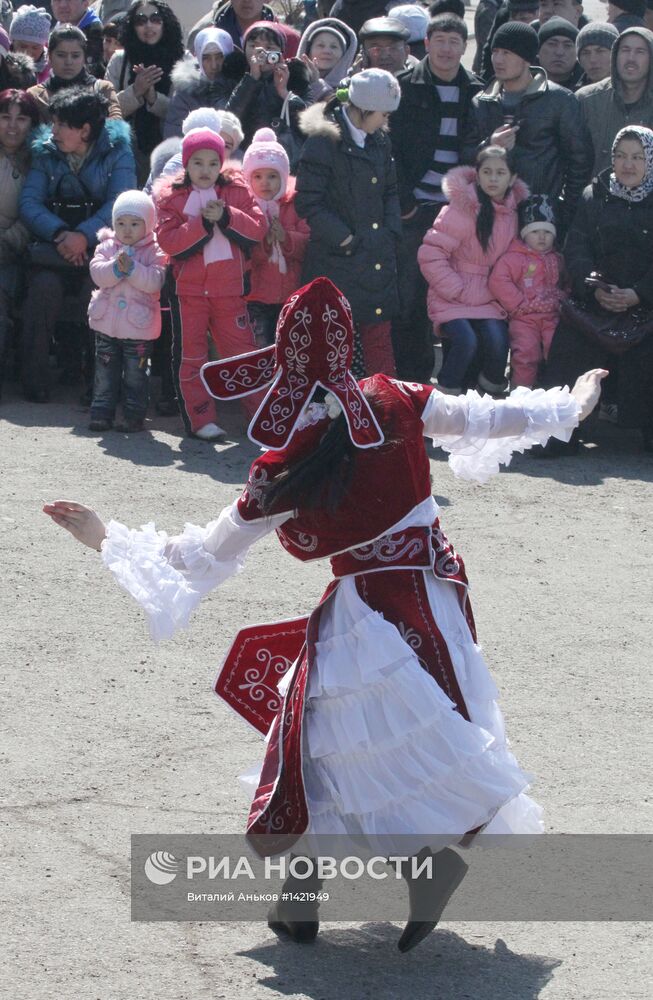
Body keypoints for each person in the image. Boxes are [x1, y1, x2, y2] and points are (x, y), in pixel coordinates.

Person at [42, 275, 607, 950]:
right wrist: (570, 405)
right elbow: (487, 418)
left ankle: (337, 890)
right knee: (410, 740)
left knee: (319, 746)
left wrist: (104, 537)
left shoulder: (284, 465)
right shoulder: (398, 398)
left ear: (280, 359)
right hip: (436, 598)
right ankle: (360, 884)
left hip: (367, 615)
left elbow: (199, 555)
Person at [19, 87, 136, 402]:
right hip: (53, 248)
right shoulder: (46, 151)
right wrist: (61, 234)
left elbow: (119, 203)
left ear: (84, 130)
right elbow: (29, 203)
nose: (52, 130)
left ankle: (101, 383)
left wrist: (83, 236)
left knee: (95, 294)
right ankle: (34, 380)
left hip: (100, 250)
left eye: (60, 125)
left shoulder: (118, 151)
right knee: (43, 289)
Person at [543, 125, 653, 452]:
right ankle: (561, 432)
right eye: (621, 156)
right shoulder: (594, 196)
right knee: (570, 343)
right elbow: (576, 248)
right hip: (596, 300)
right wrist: (595, 288)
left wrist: (638, 293)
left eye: (637, 157)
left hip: (646, 303)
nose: (628, 165)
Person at [154, 126, 266, 440]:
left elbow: (257, 229)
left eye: (212, 163)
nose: (206, 170)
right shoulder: (172, 197)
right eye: (198, 163)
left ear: (221, 163)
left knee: (242, 353)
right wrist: (202, 222)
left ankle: (259, 415)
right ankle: (201, 418)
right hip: (189, 293)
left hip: (230, 289)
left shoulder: (236, 190)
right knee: (192, 355)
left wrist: (227, 216)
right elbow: (170, 242)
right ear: (186, 164)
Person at [390, 13, 483, 382]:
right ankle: (412, 381)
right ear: (426, 44)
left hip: (458, 211)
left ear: (464, 47)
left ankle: (461, 383)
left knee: (461, 296)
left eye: (455, 42)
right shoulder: (403, 86)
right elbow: (390, 150)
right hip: (415, 207)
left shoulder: (477, 90)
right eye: (440, 40)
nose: (447, 49)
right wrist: (405, 204)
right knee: (410, 299)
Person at [296, 69, 401, 377]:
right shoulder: (324, 142)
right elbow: (308, 202)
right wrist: (345, 239)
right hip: (337, 259)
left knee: (379, 336)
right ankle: (338, 414)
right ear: (363, 109)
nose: (385, 120)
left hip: (376, 255)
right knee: (336, 339)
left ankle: (384, 407)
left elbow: (390, 190)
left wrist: (390, 231)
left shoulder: (379, 140)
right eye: (382, 113)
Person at [463, 21, 592, 234]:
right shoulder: (482, 101)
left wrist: (562, 213)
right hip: (490, 218)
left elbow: (580, 163)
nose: (498, 59)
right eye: (495, 52)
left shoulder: (559, 100)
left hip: (540, 220)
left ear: (525, 58)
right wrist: (489, 146)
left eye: (507, 52)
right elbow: (464, 157)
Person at [418, 146, 527, 394]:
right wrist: (455, 287)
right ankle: (445, 396)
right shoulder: (461, 208)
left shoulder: (512, 214)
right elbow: (431, 253)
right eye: (487, 172)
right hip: (453, 293)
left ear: (512, 178)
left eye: (501, 172)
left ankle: (484, 398)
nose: (493, 178)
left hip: (489, 295)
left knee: (499, 341)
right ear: (477, 176)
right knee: (466, 341)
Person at [87, 190, 167, 434]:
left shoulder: (155, 250)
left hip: (139, 329)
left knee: (136, 373)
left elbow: (156, 281)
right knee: (105, 371)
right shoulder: (107, 246)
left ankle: (133, 414)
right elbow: (97, 272)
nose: (127, 230)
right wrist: (115, 268)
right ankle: (101, 412)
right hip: (106, 325)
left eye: (134, 223)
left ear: (149, 224)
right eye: (121, 223)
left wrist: (132, 270)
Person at [242, 126, 310, 347]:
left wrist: (286, 238)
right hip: (255, 297)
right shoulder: (246, 209)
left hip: (290, 294)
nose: (265, 183)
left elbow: (309, 243)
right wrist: (265, 244)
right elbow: (242, 255)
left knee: (289, 348)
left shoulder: (294, 204)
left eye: (272, 176)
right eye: (258, 176)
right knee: (259, 350)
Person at [489, 193, 563, 388]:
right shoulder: (514, 258)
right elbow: (498, 280)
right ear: (524, 233)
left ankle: (554, 392)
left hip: (552, 315)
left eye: (547, 232)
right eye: (535, 231)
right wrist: (518, 302)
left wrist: (564, 298)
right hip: (524, 317)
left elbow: (566, 282)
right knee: (526, 354)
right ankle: (521, 395)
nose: (541, 237)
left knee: (557, 350)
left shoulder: (557, 258)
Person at [105, 0, 184, 180]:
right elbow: (105, 110)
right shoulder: (120, 60)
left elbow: (182, 113)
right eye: (141, 21)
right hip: (127, 151)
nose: (148, 26)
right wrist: (136, 91)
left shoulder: (182, 59)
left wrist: (153, 98)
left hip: (171, 151)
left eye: (155, 19)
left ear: (166, 23)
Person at [0, 87, 39, 397]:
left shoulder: (40, 160)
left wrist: (9, 241)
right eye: (4, 117)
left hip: (16, 251)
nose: (12, 126)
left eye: (21, 118)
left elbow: (36, 212)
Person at [575, 26, 653, 175]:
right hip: (595, 194)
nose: (631, 58)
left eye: (640, 52)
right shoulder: (586, 100)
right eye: (625, 50)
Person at [224, 21, 309, 151]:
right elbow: (228, 120)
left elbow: (306, 124)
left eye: (269, 48)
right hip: (242, 154)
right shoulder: (232, 75)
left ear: (281, 52)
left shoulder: (296, 79)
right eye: (254, 46)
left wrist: (284, 92)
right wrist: (252, 78)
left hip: (281, 154)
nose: (262, 53)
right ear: (244, 49)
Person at [27, 24, 121, 123]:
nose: (68, 62)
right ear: (49, 56)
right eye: (61, 55)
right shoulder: (35, 96)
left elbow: (116, 129)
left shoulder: (102, 89)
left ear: (84, 57)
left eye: (75, 56)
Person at [164, 27, 243, 139]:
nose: (214, 65)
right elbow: (174, 138)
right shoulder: (185, 94)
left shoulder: (244, 88)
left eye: (219, 57)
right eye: (206, 58)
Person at [296, 16, 357, 104]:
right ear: (308, 50)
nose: (327, 51)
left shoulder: (352, 89)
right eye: (320, 45)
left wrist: (317, 84)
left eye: (334, 47)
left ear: (344, 55)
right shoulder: (289, 81)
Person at [478, 0, 540, 83]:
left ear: (538, 13)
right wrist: (485, 85)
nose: (517, 23)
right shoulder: (503, 17)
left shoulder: (545, 25)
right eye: (513, 18)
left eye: (524, 18)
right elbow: (489, 52)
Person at [50, 0, 104, 77]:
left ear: (85, 3)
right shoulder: (57, 26)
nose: (62, 5)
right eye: (57, 0)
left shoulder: (94, 33)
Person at [537, 16, 584, 91]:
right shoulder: (522, 86)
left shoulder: (587, 92)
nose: (559, 52)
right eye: (552, 44)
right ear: (538, 51)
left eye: (567, 45)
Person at [10, 5, 52, 85]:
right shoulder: (3, 65)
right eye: (23, 46)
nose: (28, 52)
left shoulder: (52, 69)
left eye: (35, 47)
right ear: (13, 41)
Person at [575, 21, 619, 87]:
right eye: (586, 53)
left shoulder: (633, 92)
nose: (592, 60)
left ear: (615, 55)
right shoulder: (572, 95)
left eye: (600, 51)